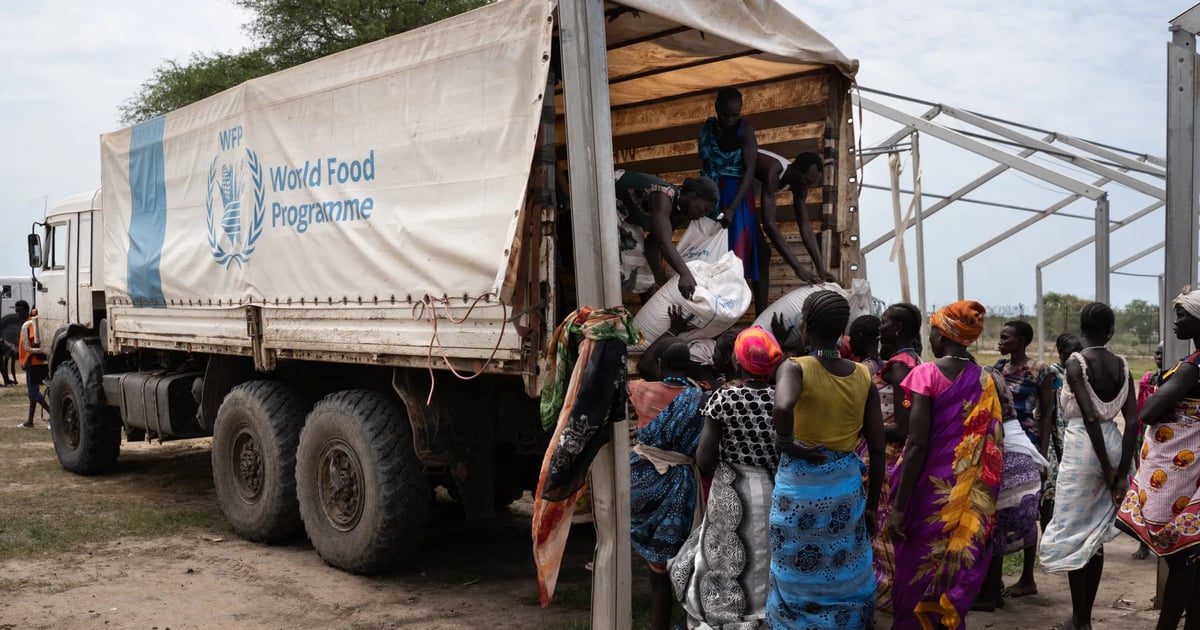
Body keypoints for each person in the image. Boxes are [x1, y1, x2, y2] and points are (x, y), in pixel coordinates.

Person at [768, 290, 884, 628]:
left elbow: (783, 406)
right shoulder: (864, 376)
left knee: (795, 578)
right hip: (844, 493)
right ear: (841, 331)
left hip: (798, 493)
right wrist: (873, 505)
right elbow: (877, 448)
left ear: (804, 327)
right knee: (842, 570)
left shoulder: (795, 368)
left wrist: (785, 442)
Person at [889, 301, 1005, 630]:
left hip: (926, 495)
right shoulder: (985, 381)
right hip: (966, 501)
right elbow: (994, 445)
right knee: (951, 573)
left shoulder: (925, 374)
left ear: (942, 335)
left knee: (914, 573)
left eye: (934, 331)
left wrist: (898, 507)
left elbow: (917, 445)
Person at [670, 326, 783, 629]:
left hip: (732, 488)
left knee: (725, 555)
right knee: (765, 553)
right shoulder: (781, 399)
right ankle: (763, 610)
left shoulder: (724, 398)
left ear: (739, 360)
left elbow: (705, 459)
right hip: (772, 487)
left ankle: (727, 611)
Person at [1039, 303, 1138, 630]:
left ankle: (1080, 619)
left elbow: (1089, 415)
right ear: (1110, 331)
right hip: (1113, 442)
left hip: (1083, 447)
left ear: (1083, 329)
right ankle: (1083, 619)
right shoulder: (1123, 365)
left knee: (1074, 531)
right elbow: (1134, 421)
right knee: (1094, 534)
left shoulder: (1075, 362)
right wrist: (1121, 469)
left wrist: (1110, 470)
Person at [1118, 287, 1200, 630]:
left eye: (1183, 315)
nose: (1176, 321)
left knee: (1182, 557)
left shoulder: (1191, 369)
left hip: (1182, 471)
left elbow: (1150, 411)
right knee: (1194, 554)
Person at [628, 341, 706, 630]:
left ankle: (659, 624)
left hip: (643, 479)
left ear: (660, 365)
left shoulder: (641, 391)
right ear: (688, 367)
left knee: (656, 567)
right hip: (679, 484)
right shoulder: (699, 399)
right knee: (681, 556)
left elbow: (643, 364)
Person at [860, 302, 923, 615]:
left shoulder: (899, 366)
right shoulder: (911, 361)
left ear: (897, 329)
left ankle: (890, 598)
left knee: (882, 528)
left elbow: (904, 425)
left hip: (888, 459)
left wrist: (867, 433)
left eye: (884, 322)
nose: (879, 328)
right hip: (893, 458)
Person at [990, 319, 1055, 600]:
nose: (1002, 341)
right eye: (1001, 337)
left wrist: (1041, 454)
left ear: (1022, 341)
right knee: (1002, 509)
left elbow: (1047, 413)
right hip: (1001, 443)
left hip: (1026, 441)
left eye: (1007, 337)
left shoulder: (1040, 371)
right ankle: (996, 578)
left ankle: (1028, 576)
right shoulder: (998, 369)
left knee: (1029, 511)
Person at [698, 88, 766, 312]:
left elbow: (749, 171)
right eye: (726, 114)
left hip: (736, 196)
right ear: (717, 108)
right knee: (710, 257)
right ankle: (712, 309)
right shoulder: (707, 129)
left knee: (737, 256)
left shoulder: (745, 129)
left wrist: (733, 208)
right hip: (711, 196)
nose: (730, 119)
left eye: (735, 114)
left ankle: (735, 310)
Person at [615, 171, 720, 300]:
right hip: (605, 198)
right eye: (704, 209)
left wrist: (660, 279)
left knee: (645, 277)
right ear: (694, 196)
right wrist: (685, 273)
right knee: (611, 261)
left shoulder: (681, 213)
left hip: (627, 218)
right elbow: (663, 240)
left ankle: (647, 318)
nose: (703, 215)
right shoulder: (663, 195)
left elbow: (652, 244)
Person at [756, 150, 834, 286]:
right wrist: (798, 268)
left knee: (762, 253)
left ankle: (761, 308)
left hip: (743, 196)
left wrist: (821, 269)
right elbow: (769, 224)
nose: (807, 186)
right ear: (796, 169)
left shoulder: (799, 183)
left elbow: (806, 228)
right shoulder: (774, 169)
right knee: (762, 252)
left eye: (811, 183)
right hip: (728, 187)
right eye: (807, 180)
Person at [1043, 333, 1084, 527]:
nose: (1075, 356)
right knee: (1052, 486)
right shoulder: (1053, 374)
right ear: (1060, 352)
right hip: (1055, 435)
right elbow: (1046, 410)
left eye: (1079, 352)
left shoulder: (1081, 372)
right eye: (1071, 352)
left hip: (1074, 434)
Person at [1131, 342, 1164, 560]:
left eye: (1163, 352)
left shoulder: (1174, 378)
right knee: (1144, 491)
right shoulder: (1149, 379)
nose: (1159, 356)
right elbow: (1139, 410)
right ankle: (1143, 543)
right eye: (1157, 352)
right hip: (1147, 438)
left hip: (1166, 442)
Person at [16, 303, 49, 429]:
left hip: (33, 363)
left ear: (26, 310)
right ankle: (30, 421)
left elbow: (34, 343)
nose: (17, 314)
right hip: (30, 363)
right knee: (33, 393)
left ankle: (50, 415)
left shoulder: (30, 323)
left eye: (19, 311)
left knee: (34, 393)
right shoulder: (27, 323)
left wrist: (28, 359)